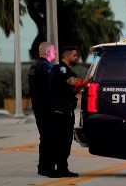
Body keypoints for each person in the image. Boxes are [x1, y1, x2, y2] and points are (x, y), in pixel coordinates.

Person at [49, 46, 91, 178]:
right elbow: (72, 81)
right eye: (74, 55)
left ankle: (62, 168)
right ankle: (53, 168)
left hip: (67, 110)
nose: (76, 58)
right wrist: (84, 81)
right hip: (59, 111)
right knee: (59, 139)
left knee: (66, 140)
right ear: (67, 56)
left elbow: (75, 87)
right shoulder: (60, 68)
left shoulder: (68, 71)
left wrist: (83, 83)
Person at [29, 42, 56, 177]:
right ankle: (48, 167)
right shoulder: (46, 67)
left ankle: (43, 166)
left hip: (38, 107)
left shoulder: (34, 66)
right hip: (46, 107)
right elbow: (52, 87)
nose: (55, 53)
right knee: (49, 137)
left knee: (45, 137)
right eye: (53, 51)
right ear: (47, 52)